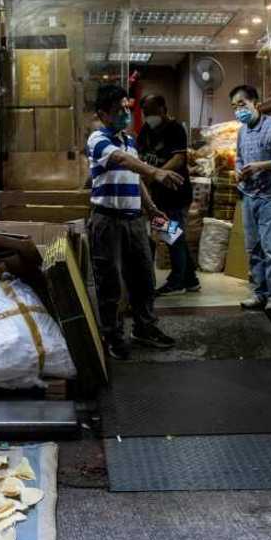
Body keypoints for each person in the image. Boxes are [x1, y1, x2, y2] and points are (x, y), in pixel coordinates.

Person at [86, 84, 183, 360]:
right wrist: (156, 171)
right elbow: (121, 160)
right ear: (103, 114)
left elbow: (135, 177)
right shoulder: (97, 139)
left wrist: (151, 209)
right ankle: (113, 336)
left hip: (134, 221)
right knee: (110, 283)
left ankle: (144, 327)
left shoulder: (129, 140)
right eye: (118, 111)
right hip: (107, 222)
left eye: (126, 109)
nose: (124, 115)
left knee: (144, 278)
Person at [230, 84, 271, 312]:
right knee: (253, 248)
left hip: (270, 196)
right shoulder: (242, 131)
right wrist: (239, 171)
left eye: (242, 105)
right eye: (235, 107)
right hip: (249, 195)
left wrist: (261, 165)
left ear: (255, 103)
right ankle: (258, 293)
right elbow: (239, 157)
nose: (239, 111)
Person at [137, 94, 200, 295]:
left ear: (163, 109)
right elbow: (139, 156)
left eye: (153, 112)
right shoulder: (146, 130)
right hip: (157, 196)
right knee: (173, 235)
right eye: (146, 113)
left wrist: (157, 174)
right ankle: (190, 280)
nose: (149, 116)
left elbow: (179, 158)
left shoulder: (175, 129)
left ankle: (177, 281)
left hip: (176, 194)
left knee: (174, 237)